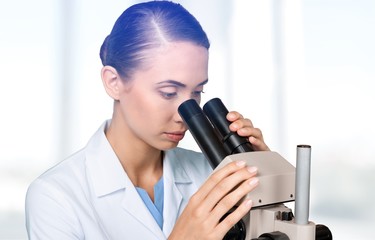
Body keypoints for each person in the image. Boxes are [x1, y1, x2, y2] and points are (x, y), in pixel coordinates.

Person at [25, 1, 270, 239]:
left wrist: (266, 173)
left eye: (197, 92)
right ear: (114, 83)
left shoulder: (213, 171)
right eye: (168, 93)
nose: (184, 114)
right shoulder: (55, 196)